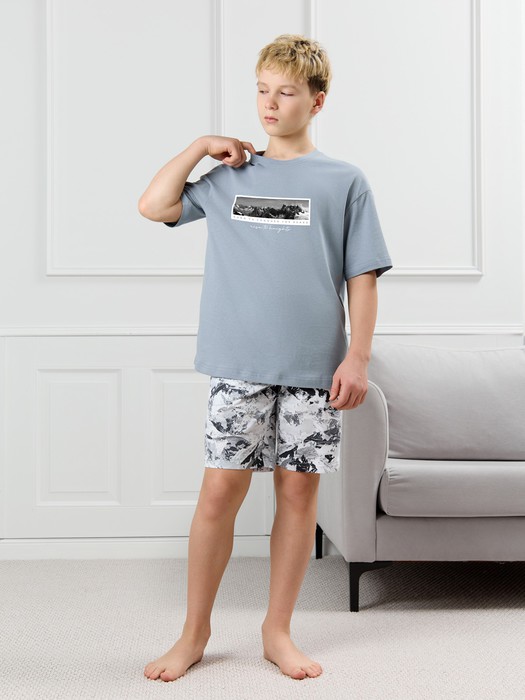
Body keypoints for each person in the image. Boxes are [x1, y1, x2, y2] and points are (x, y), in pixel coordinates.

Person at [138, 34, 393, 682]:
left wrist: (357, 358)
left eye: (285, 92)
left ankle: (277, 632)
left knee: (297, 494)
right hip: (238, 364)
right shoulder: (229, 177)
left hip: (315, 370)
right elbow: (154, 205)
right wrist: (200, 146)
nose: (270, 104)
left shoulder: (344, 181)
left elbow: (362, 278)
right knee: (219, 492)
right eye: (261, 91)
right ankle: (194, 632)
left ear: (317, 101)